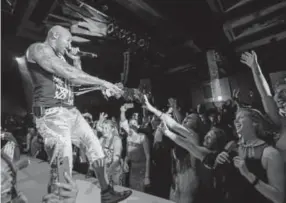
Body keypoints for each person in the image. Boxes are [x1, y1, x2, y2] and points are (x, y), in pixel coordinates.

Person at [25, 25, 131, 202]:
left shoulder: (62, 58)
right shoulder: (38, 49)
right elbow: (69, 74)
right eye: (67, 40)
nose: (69, 44)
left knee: (95, 147)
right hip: (51, 113)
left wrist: (75, 60)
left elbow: (75, 80)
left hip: (71, 112)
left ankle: (106, 192)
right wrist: (104, 83)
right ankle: (59, 198)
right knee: (63, 158)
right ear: (55, 35)